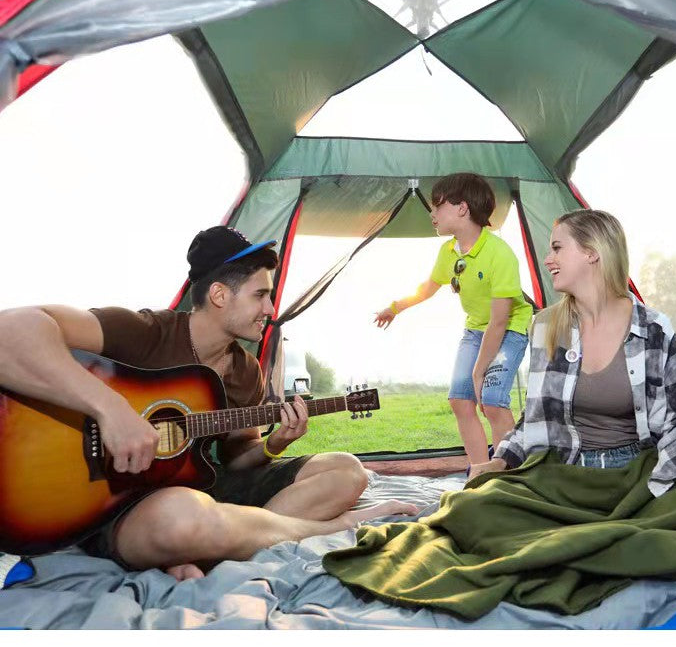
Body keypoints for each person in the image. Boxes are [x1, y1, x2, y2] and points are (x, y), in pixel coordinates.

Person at [0, 226, 417, 580]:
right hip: (124, 502)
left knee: (347, 470)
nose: (271, 310)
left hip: (203, 488)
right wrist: (112, 410)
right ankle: (325, 526)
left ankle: (228, 537)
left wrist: (276, 444)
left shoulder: (245, 370)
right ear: (219, 295)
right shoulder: (145, 332)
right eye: (260, 295)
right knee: (181, 518)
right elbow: (11, 330)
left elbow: (238, 460)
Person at [467, 209, 676, 495]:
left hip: (636, 475)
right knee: (471, 510)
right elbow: (534, 418)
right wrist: (501, 461)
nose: (548, 259)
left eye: (557, 248)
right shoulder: (546, 326)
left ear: (591, 252)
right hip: (560, 475)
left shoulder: (654, 328)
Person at [374, 173, 532, 466]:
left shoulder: (500, 254)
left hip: (509, 328)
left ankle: (507, 476)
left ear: (462, 208)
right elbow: (427, 289)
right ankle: (479, 471)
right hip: (475, 329)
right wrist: (395, 308)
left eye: (437, 205)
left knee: (492, 401)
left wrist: (479, 371)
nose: (431, 213)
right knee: (460, 401)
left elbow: (499, 322)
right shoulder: (447, 253)